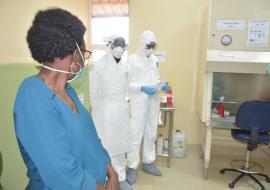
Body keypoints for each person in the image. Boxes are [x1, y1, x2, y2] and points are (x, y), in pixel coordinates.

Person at [13, 8, 119, 190]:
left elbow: (90, 139)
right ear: (74, 53)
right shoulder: (32, 95)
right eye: (84, 53)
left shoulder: (67, 91)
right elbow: (61, 175)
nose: (84, 60)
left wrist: (110, 169)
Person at [126, 31, 169, 185]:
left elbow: (155, 77)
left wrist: (161, 84)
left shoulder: (154, 60)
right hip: (138, 101)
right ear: (142, 43)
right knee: (135, 134)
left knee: (151, 132)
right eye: (149, 45)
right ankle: (131, 167)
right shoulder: (131, 60)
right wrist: (141, 88)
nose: (151, 48)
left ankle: (148, 162)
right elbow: (126, 83)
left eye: (153, 45)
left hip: (153, 100)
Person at [90, 36, 132, 190]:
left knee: (120, 147)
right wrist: (97, 113)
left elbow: (127, 88)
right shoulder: (98, 66)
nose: (120, 49)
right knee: (107, 147)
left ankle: (121, 178)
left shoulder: (126, 67)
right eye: (117, 45)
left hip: (121, 111)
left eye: (123, 46)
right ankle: (107, 178)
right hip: (105, 113)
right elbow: (93, 92)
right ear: (109, 46)